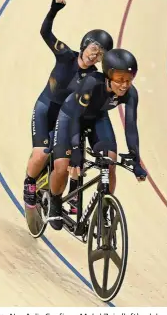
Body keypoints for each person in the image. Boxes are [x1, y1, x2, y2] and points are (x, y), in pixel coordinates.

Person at [23, 0, 114, 212]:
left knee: (75, 147)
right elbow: (45, 33)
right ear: (84, 44)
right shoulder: (65, 55)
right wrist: (53, 10)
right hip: (46, 109)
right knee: (42, 153)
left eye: (100, 55)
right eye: (93, 49)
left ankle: (72, 190)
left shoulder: (94, 76)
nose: (95, 56)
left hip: (67, 116)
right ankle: (29, 182)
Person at [48, 48, 147, 230]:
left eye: (129, 79)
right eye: (119, 79)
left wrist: (136, 159)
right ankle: (54, 202)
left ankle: (104, 208)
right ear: (108, 76)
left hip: (97, 119)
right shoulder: (92, 83)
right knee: (63, 166)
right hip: (71, 117)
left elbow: (131, 128)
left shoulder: (131, 94)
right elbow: (76, 117)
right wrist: (76, 150)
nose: (124, 85)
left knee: (110, 162)